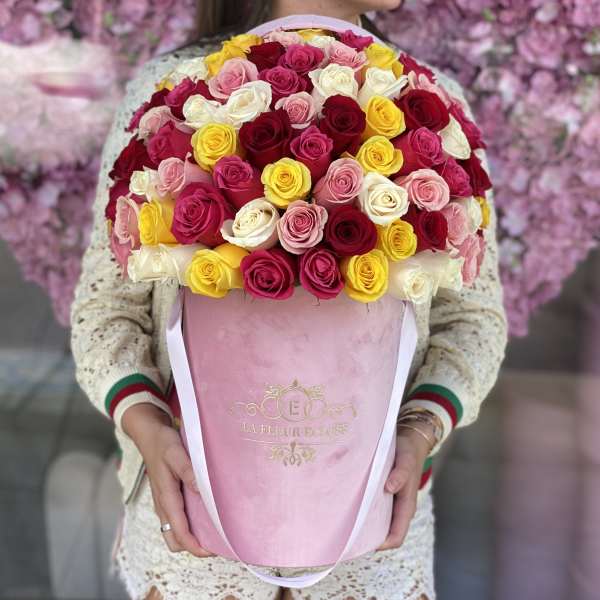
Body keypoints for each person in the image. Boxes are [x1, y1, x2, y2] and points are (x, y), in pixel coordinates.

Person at [70, 1, 508, 598]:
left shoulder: (427, 103)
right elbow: (106, 311)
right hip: (194, 548)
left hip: (371, 545)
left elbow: (473, 318)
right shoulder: (175, 95)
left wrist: (422, 427)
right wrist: (147, 425)